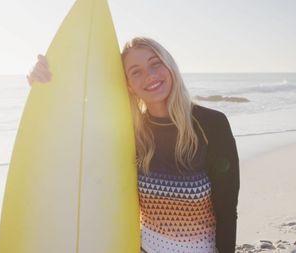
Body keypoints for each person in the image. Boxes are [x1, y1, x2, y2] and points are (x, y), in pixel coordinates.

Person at [28, 37, 240, 253]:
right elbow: (70, 136)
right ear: (128, 85)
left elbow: (227, 211)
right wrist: (44, 87)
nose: (150, 75)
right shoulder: (130, 132)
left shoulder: (211, 125)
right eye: (136, 71)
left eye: (155, 63)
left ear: (169, 66)